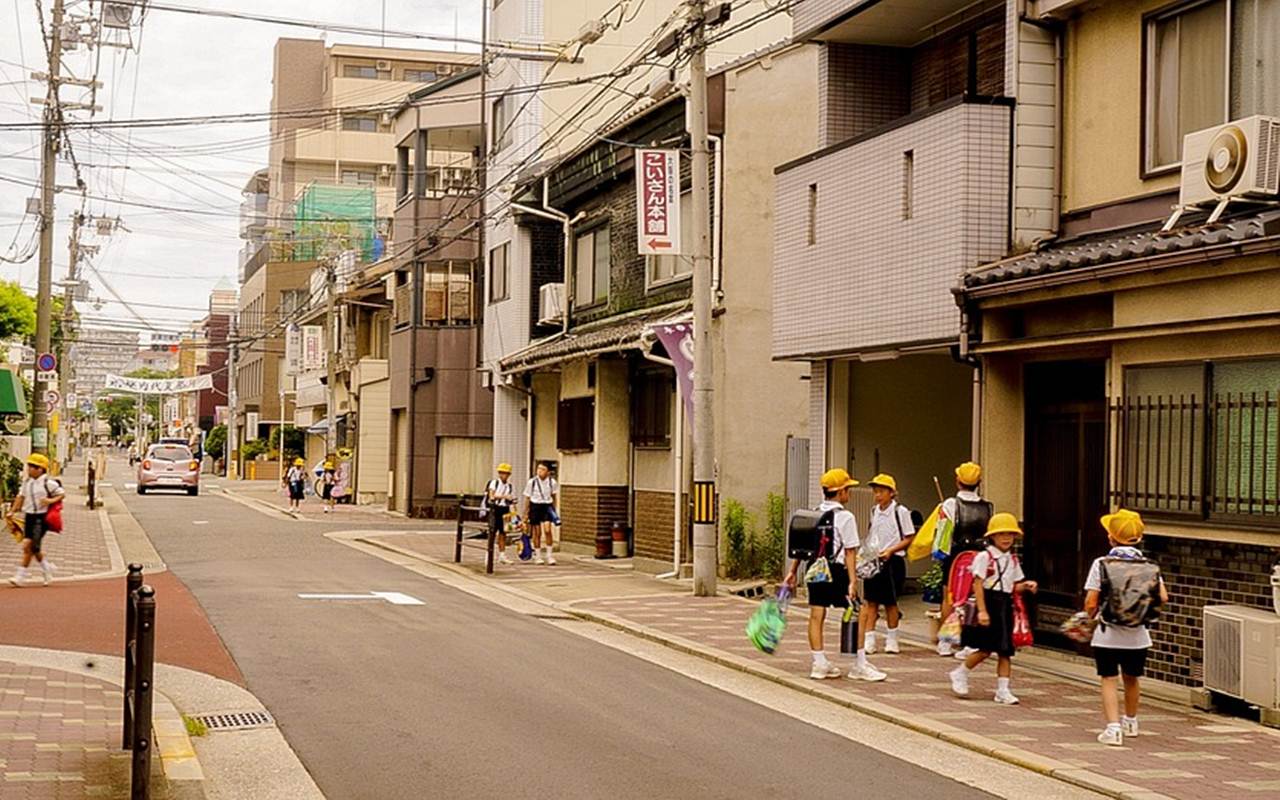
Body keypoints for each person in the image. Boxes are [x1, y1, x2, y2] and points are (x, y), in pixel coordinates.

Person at [784, 468, 886, 682]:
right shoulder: (845, 517)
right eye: (848, 489)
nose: (849, 493)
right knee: (861, 611)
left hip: (815, 569)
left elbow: (804, 548)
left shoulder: (813, 513)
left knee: (816, 615)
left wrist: (792, 572)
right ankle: (859, 664)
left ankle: (819, 663)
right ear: (840, 492)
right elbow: (850, 551)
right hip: (836, 570)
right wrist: (852, 581)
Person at [1085, 509, 1168, 746]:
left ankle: (1112, 728)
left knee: (1109, 679)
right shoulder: (1149, 565)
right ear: (1138, 539)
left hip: (1107, 634)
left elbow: (1091, 601)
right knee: (1132, 678)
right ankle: (1131, 721)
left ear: (1110, 538)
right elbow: (1163, 596)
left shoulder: (1101, 563)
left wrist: (1089, 615)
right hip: (1138, 635)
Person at [948, 512, 1038, 704]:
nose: (1006, 538)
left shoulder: (1012, 560)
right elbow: (978, 584)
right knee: (985, 649)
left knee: (1006, 650)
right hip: (988, 602)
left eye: (1010, 534)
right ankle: (960, 672)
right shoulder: (984, 556)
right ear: (992, 536)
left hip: (1005, 604)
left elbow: (1013, 586)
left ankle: (1003, 690)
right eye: (1001, 534)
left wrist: (1026, 586)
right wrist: (982, 610)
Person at [939, 461, 993, 657]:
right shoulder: (988, 507)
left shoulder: (950, 504)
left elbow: (943, 535)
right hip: (980, 556)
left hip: (956, 555)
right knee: (973, 598)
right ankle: (970, 641)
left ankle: (946, 641)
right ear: (979, 481)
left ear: (957, 481)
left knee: (950, 597)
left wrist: (940, 554)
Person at [859, 474, 916, 655]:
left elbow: (909, 537)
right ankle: (869, 639)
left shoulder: (901, 511)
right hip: (874, 560)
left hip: (893, 561)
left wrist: (891, 550)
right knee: (871, 602)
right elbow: (871, 533)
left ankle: (892, 639)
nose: (877, 495)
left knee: (891, 603)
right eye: (875, 491)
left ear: (892, 493)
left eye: (882, 491)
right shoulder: (874, 511)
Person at [7, 454, 64, 587]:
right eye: (29, 466)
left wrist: (49, 500)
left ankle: (20, 576)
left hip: (42, 517)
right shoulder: (27, 482)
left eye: (32, 467)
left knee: (28, 546)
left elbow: (61, 494)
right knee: (34, 548)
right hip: (29, 516)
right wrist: (12, 511)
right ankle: (47, 568)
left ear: (40, 469)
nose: (29, 469)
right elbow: (20, 497)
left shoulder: (48, 483)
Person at [522, 462, 559, 565]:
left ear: (548, 472)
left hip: (547, 506)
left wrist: (554, 510)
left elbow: (554, 496)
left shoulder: (552, 482)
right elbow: (527, 498)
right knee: (537, 532)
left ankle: (549, 555)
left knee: (547, 530)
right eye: (538, 469)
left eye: (543, 469)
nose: (540, 471)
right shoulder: (532, 482)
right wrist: (525, 513)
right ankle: (538, 555)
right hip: (535, 506)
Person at [485, 463, 518, 565]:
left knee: (503, 533)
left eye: (506, 473)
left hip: (505, 509)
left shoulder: (509, 486)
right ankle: (488, 555)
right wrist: (504, 497)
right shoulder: (494, 483)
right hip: (495, 509)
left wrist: (512, 504)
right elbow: (491, 496)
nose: (503, 475)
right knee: (492, 532)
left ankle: (502, 555)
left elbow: (509, 500)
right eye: (502, 473)